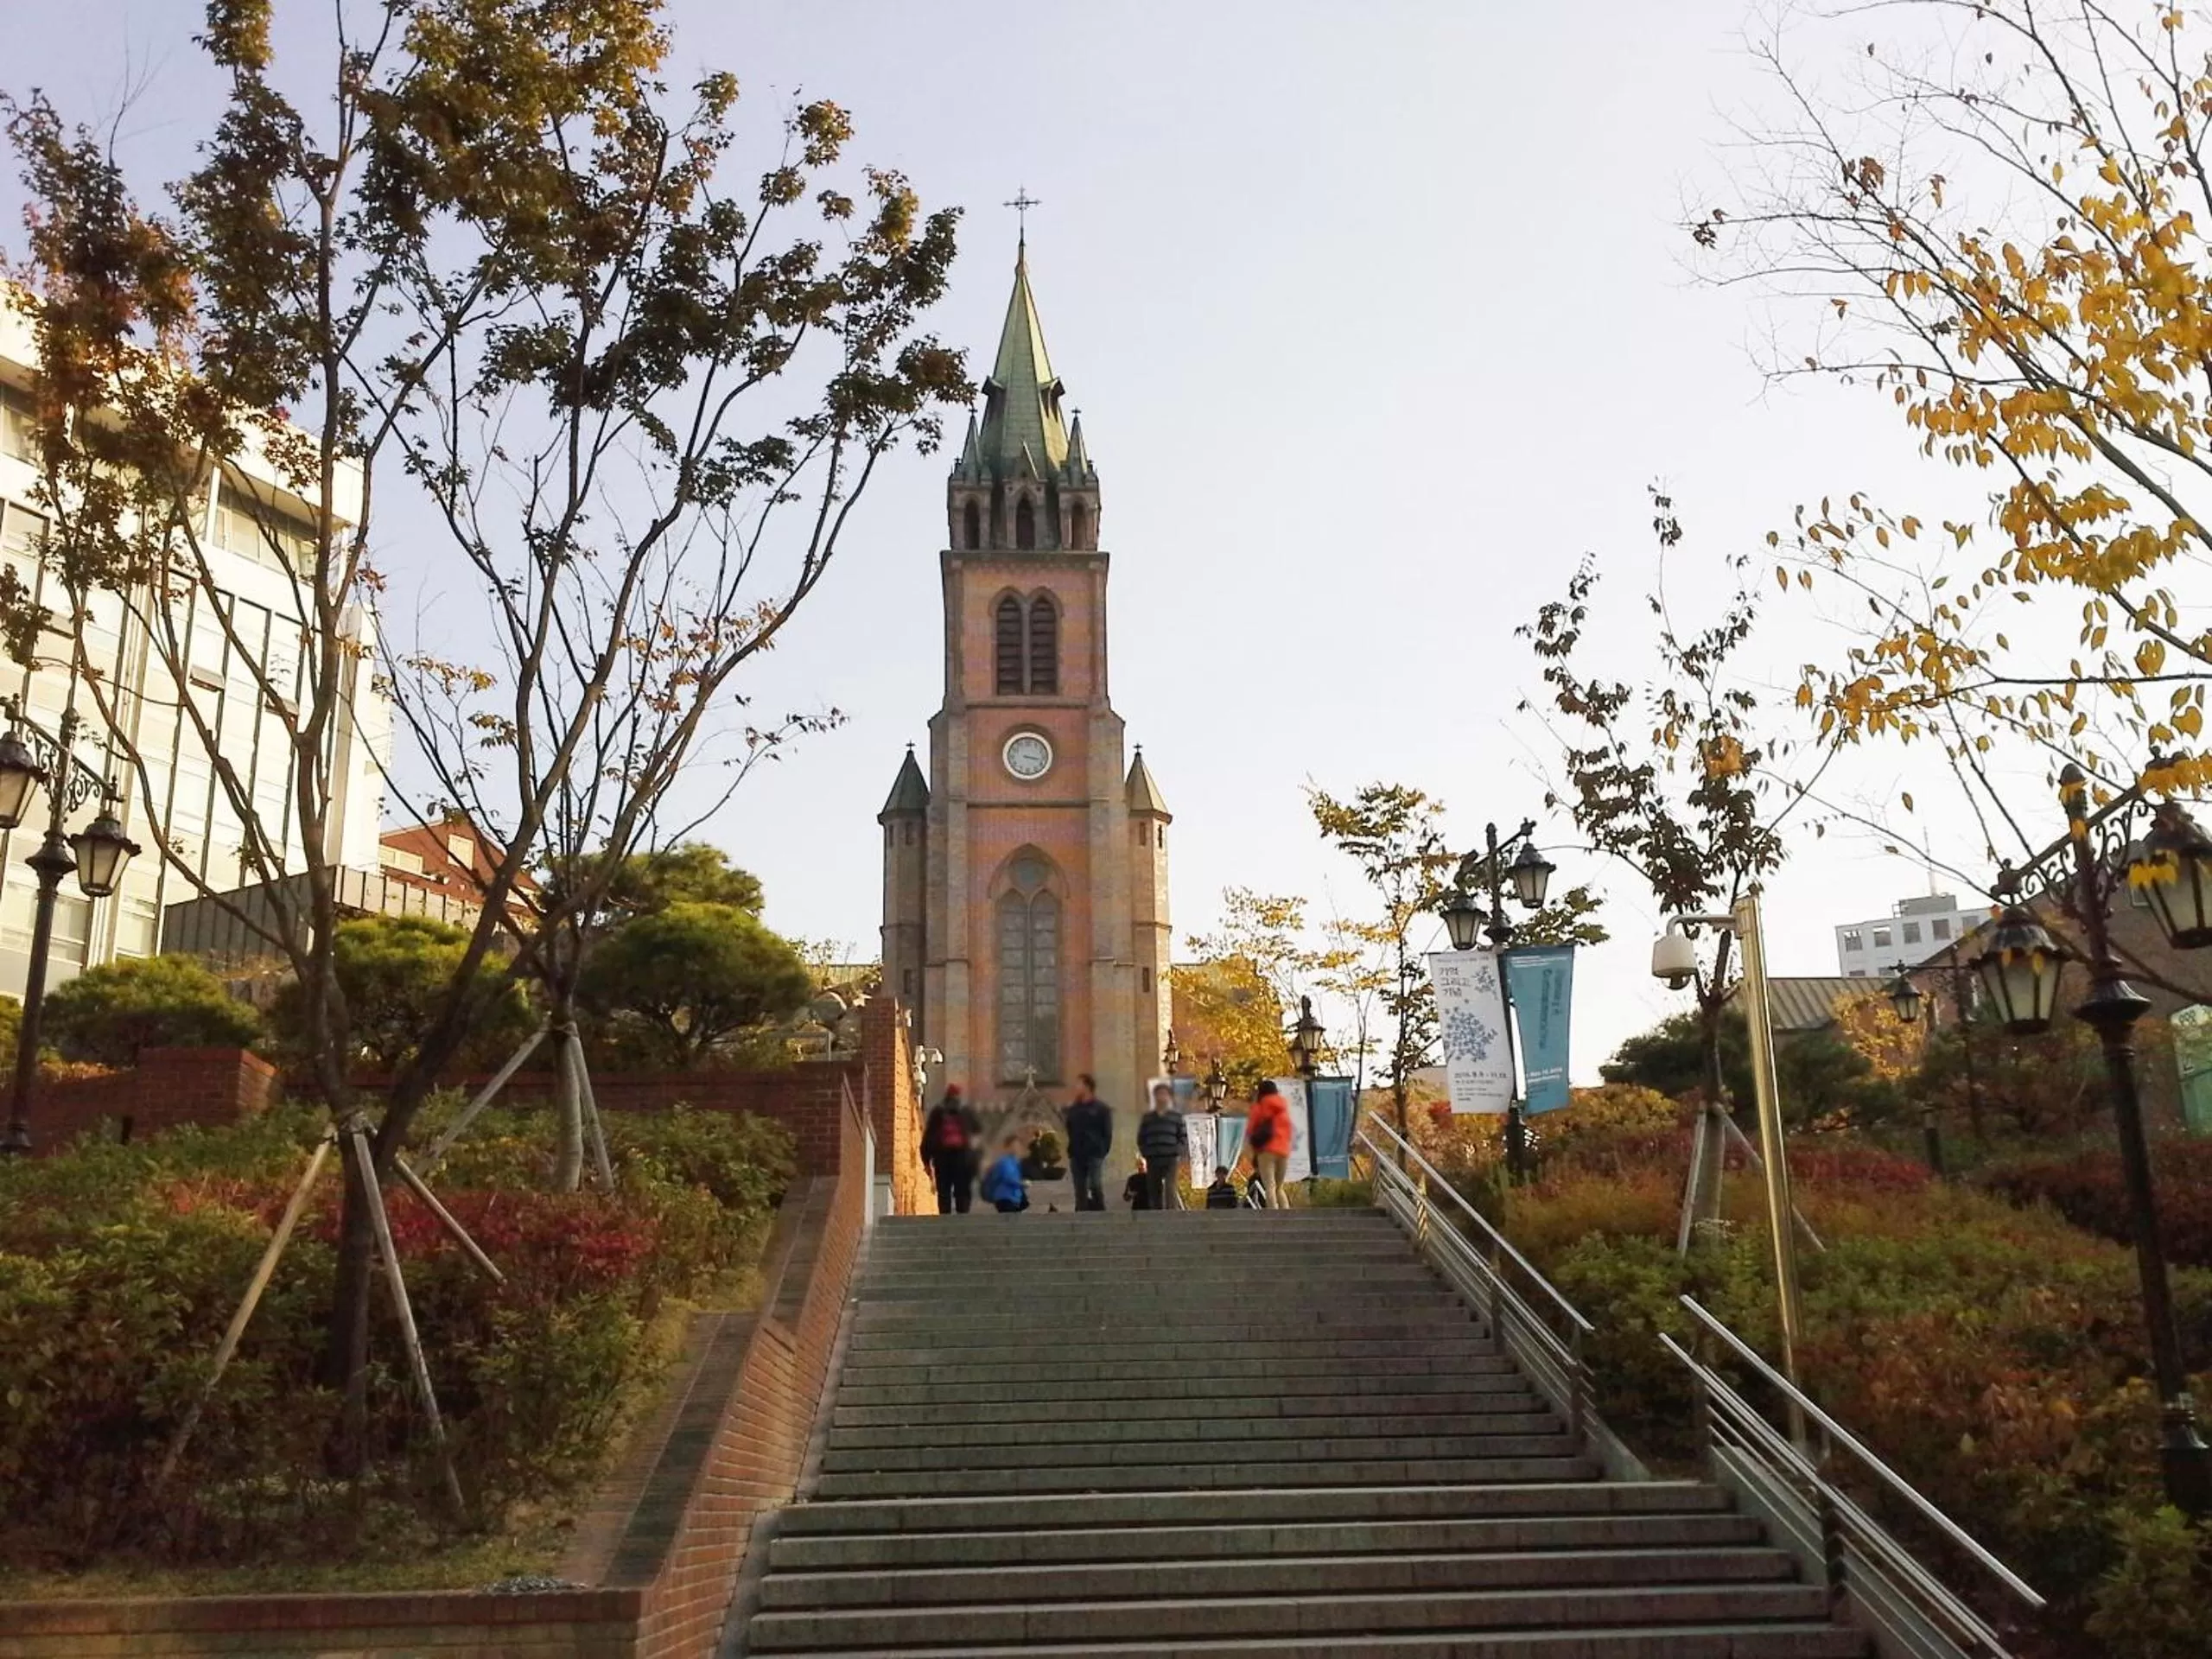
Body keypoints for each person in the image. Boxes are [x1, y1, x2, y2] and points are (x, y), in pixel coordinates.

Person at [920, 1084, 982, 1215]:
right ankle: (962, 1214)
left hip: (942, 1157)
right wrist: (975, 1159)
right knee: (962, 1188)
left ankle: (945, 1216)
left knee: (944, 1189)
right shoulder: (966, 1112)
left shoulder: (938, 1112)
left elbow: (929, 1137)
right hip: (962, 1157)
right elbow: (977, 1133)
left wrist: (926, 1160)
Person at [1064, 1074, 1113, 1212]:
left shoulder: (1101, 1109)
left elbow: (1107, 1132)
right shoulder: (1074, 1109)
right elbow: (1069, 1128)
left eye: (1078, 1084)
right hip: (1077, 1152)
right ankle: (1081, 1212)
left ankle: (1100, 1210)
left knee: (1095, 1184)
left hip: (1095, 1152)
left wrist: (1103, 1150)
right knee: (1080, 1187)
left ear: (1087, 1087)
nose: (1075, 1088)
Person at [1136, 1083, 1188, 1211]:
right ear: (1154, 1097)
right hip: (1153, 1156)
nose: (1161, 1097)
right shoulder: (1148, 1118)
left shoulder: (1176, 1117)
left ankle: (1172, 1214)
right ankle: (1156, 1215)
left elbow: (1183, 1136)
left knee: (1170, 1187)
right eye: (1159, 1094)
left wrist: (1178, 1150)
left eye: (1164, 1094)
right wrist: (1145, 1151)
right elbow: (1141, 1137)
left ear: (1169, 1097)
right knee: (1154, 1188)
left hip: (1170, 1156)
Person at [1245, 1079, 1294, 1210]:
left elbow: (1250, 1132)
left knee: (1270, 1186)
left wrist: (1252, 1153)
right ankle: (1286, 1213)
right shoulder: (1284, 1109)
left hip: (1266, 1151)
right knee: (1279, 1186)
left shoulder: (1259, 1107)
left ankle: (1273, 1215)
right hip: (1283, 1151)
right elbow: (1289, 1132)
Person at [980, 1135, 1029, 1213]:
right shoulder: (1005, 1161)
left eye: (1018, 1146)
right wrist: (1021, 1184)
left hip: (1014, 1198)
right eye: (1014, 1146)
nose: (1016, 1148)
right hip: (1005, 1198)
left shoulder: (1015, 1162)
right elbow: (1008, 1178)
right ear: (1008, 1147)